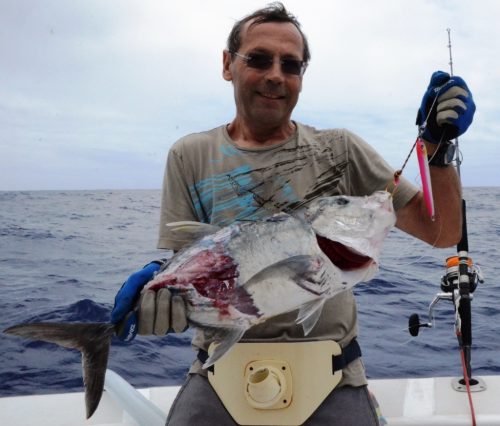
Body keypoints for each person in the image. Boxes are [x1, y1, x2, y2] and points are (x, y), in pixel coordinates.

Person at [110, 3, 475, 425]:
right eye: (260, 59)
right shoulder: (190, 156)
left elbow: (443, 231)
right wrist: (159, 286)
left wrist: (439, 148)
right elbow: (192, 262)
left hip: (333, 373)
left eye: (291, 65)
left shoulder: (340, 149)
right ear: (227, 64)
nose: (275, 75)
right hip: (218, 366)